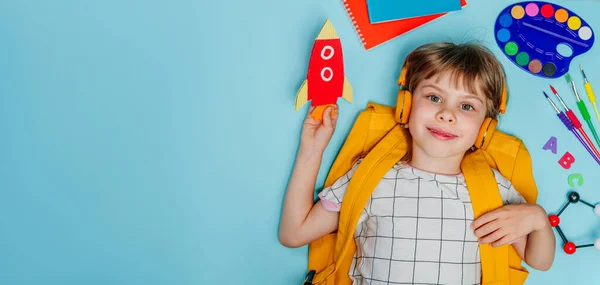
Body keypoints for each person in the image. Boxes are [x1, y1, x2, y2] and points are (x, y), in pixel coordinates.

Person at [278, 42, 555, 284]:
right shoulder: (370, 176)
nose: (447, 114)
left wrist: (539, 220)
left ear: (485, 129)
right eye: (434, 98)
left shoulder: (493, 189)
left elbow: (540, 261)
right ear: (405, 107)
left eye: (467, 106)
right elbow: (294, 233)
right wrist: (312, 150)